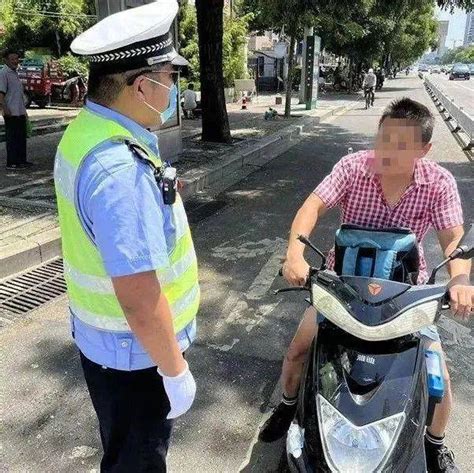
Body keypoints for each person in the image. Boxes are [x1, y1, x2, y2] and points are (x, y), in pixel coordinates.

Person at [259, 98, 473, 473]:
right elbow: (312, 207)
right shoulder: (353, 168)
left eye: (401, 144)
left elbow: (454, 241)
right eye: (383, 138)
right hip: (342, 287)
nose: (387, 150)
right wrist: (294, 254)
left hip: (405, 295)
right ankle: (289, 405)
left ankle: (435, 444)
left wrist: (460, 281)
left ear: (424, 150)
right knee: (298, 350)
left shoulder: (438, 183)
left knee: (437, 376)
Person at [54, 2, 199, 471]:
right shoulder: (120, 168)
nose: (175, 88)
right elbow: (138, 294)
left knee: (120, 452)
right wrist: (175, 370)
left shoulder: (85, 131)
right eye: (169, 77)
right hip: (136, 356)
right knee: (136, 461)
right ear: (143, 86)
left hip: (106, 344)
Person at [0, 49, 33, 169]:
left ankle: (21, 161)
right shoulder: (4, 73)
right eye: (12, 59)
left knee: (21, 138)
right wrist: (4, 109)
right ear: (6, 60)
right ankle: (12, 162)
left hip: (19, 111)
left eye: (16, 59)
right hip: (11, 112)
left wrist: (24, 111)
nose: (15, 61)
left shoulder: (15, 73)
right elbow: (1, 94)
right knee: (12, 139)